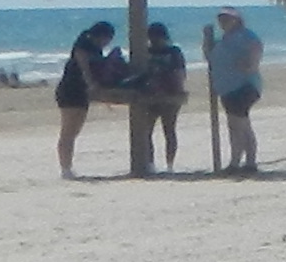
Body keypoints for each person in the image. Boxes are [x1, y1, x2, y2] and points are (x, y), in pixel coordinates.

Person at [52, 20, 121, 179]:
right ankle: (65, 168)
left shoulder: (95, 49)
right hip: (70, 90)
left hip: (81, 92)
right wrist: (91, 84)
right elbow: (84, 68)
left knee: (74, 131)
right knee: (68, 131)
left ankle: (67, 166)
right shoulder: (83, 45)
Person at [204, 6, 265, 176]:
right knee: (238, 125)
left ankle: (241, 162)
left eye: (227, 19)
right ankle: (242, 161)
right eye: (221, 19)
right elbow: (211, 57)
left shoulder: (246, 35)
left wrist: (249, 64)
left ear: (236, 20)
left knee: (239, 124)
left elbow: (256, 50)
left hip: (244, 85)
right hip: (227, 87)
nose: (223, 22)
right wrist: (207, 40)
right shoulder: (224, 39)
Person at [135, 22, 189, 172]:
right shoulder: (149, 51)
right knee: (149, 131)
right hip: (152, 94)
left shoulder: (172, 52)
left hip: (168, 93)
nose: (154, 40)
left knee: (167, 129)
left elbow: (179, 73)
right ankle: (153, 163)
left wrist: (177, 89)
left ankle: (168, 164)